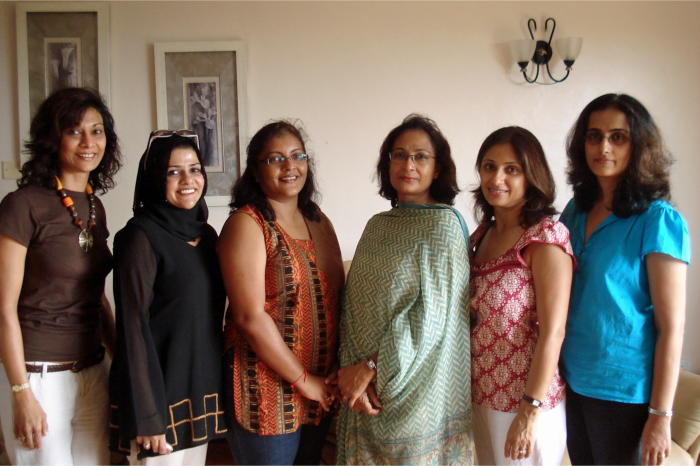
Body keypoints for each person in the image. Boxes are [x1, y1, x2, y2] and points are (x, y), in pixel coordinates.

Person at [335, 114, 474, 464]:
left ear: (438, 168)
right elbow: (353, 310)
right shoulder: (377, 225)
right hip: (360, 392)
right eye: (399, 155)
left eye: (420, 156)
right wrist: (355, 377)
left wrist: (370, 368)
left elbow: (431, 321)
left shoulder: (444, 227)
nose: (408, 165)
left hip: (417, 395)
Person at [559, 94, 690, 465]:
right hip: (571, 379)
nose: (603, 146)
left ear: (639, 145)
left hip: (624, 390)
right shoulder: (575, 211)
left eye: (618, 137)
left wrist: (661, 416)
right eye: (594, 135)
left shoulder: (658, 220)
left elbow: (672, 328)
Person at [0, 87, 122, 465]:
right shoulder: (22, 206)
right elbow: (3, 308)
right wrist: (21, 392)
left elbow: (95, 296)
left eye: (97, 130)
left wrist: (122, 361)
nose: (88, 142)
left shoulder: (94, 206)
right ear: (53, 138)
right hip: (39, 376)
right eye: (74, 130)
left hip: (91, 370)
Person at [217, 121, 344, 465]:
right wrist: (305, 381)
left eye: (297, 156)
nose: (290, 166)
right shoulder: (248, 223)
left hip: (319, 384)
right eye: (275, 159)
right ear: (256, 173)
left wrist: (331, 372)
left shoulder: (319, 221)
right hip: (263, 385)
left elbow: (337, 300)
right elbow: (249, 316)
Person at [108, 130, 227, 464]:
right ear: (154, 179)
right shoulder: (138, 237)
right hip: (157, 396)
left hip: (198, 387)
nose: (187, 179)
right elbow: (132, 328)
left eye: (194, 169)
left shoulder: (207, 235)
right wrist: (146, 414)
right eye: (173, 171)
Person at [469, 127, 575, 465]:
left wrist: (529, 412)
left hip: (526, 406)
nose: (496, 178)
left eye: (511, 169)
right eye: (489, 166)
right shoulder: (480, 235)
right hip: (480, 399)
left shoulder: (545, 236)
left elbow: (554, 332)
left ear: (531, 176)